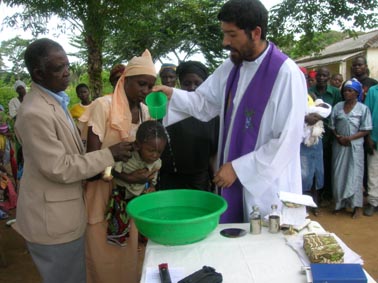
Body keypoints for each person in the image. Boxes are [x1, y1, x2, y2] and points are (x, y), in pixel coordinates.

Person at [154, 0, 307, 221]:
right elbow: (205, 103)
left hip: (266, 188)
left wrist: (238, 168)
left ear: (255, 32)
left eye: (232, 35)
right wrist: (172, 95)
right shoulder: (232, 66)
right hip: (233, 177)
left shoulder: (286, 74)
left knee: (263, 248)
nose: (225, 42)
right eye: (224, 34)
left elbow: (287, 140)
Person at [13, 38, 134, 283]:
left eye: (67, 65)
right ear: (38, 73)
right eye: (59, 68)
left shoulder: (55, 102)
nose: (67, 72)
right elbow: (59, 167)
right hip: (52, 222)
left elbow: (69, 150)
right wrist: (109, 154)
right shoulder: (34, 112)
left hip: (64, 214)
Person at [79, 49, 156, 283]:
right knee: (102, 254)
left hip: (129, 197)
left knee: (128, 253)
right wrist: (123, 176)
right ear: (125, 80)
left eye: (150, 86)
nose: (145, 91)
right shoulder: (103, 106)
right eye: (141, 84)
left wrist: (145, 175)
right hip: (103, 195)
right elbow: (91, 161)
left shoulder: (144, 111)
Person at [157, 61, 219, 191]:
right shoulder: (167, 108)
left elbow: (214, 152)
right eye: (187, 83)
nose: (192, 87)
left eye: (197, 83)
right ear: (180, 83)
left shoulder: (213, 113)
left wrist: (215, 178)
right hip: (169, 180)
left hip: (200, 181)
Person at [106, 120, 167, 246]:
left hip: (138, 197)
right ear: (138, 145)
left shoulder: (157, 163)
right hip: (121, 195)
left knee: (144, 221)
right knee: (119, 223)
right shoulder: (127, 156)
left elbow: (152, 179)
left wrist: (151, 186)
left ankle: (143, 240)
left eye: (159, 152)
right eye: (151, 150)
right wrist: (128, 177)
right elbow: (110, 170)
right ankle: (117, 237)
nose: (154, 155)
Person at [329, 79, 372, 218]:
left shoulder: (362, 108)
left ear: (356, 93)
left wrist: (350, 138)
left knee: (355, 175)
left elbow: (366, 129)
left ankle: (356, 206)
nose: (346, 93)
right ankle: (339, 203)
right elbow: (332, 125)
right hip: (339, 145)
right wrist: (338, 137)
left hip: (355, 146)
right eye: (345, 90)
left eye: (350, 90)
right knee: (338, 174)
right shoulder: (337, 107)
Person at [308, 67, 342, 205]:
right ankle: (313, 194)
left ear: (329, 77)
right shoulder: (310, 92)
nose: (321, 78)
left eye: (325, 75)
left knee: (328, 164)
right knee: (313, 166)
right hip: (312, 135)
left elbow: (338, 111)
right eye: (319, 75)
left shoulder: (334, 92)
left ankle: (325, 193)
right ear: (316, 77)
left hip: (330, 134)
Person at [363, 84, 378, 216]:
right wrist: (369, 137)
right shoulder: (374, 90)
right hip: (375, 139)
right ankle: (373, 202)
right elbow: (367, 113)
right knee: (373, 172)